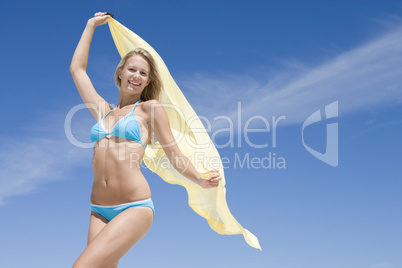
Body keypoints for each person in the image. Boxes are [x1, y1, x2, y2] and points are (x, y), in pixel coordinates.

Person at [70, 12, 222, 268]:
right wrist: (90, 26)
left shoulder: (149, 109)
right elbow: (77, 69)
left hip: (134, 206)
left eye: (143, 73)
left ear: (148, 81)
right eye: (132, 69)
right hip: (98, 209)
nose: (136, 76)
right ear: (120, 72)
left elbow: (174, 153)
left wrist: (199, 178)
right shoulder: (102, 110)